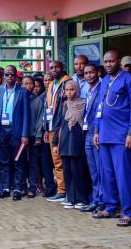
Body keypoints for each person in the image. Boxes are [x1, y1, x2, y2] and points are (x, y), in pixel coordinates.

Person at [93, 50, 131, 227]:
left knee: (123, 176)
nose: (107, 65)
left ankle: (129, 213)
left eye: (111, 61)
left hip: (122, 135)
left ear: (118, 61)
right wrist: (97, 131)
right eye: (105, 62)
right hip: (104, 134)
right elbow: (99, 106)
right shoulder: (105, 80)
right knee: (107, 174)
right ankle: (111, 207)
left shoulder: (129, 79)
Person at [0, 65, 30, 201]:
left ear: (16, 77)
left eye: (12, 75)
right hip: (2, 130)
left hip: (17, 131)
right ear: (4, 76)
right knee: (3, 161)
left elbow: (26, 114)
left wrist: (25, 134)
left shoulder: (23, 92)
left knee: (18, 161)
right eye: (7, 74)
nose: (10, 77)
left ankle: (18, 189)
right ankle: (5, 188)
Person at [52, 81, 88, 210]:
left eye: (71, 90)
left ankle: (81, 199)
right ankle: (71, 198)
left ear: (77, 90)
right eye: (67, 90)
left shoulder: (84, 104)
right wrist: (55, 143)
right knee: (67, 171)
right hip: (65, 142)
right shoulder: (64, 104)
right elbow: (57, 125)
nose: (69, 92)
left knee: (78, 171)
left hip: (78, 142)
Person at [44, 61, 71, 202]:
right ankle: (62, 189)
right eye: (52, 68)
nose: (54, 70)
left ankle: (64, 191)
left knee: (62, 161)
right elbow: (47, 107)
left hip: (61, 127)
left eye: (57, 67)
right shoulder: (51, 85)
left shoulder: (67, 83)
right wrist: (45, 128)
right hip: (51, 128)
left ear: (62, 68)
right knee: (56, 162)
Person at [80, 64, 103, 213]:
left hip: (97, 134)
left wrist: (98, 131)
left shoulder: (102, 89)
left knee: (101, 170)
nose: (88, 75)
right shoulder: (88, 91)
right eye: (86, 73)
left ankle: (102, 200)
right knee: (93, 171)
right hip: (87, 133)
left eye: (91, 72)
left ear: (98, 73)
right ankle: (95, 200)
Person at [33, 77, 56, 197]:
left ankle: (50, 185)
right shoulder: (33, 98)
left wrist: (43, 132)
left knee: (47, 162)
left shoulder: (47, 96)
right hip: (36, 135)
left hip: (46, 133)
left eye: (49, 80)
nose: (36, 88)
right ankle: (40, 184)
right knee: (38, 162)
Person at [21, 76, 44, 198]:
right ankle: (22, 186)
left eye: (30, 84)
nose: (28, 86)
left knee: (33, 163)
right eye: (25, 84)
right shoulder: (19, 99)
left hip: (34, 135)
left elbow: (40, 119)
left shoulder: (38, 100)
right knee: (22, 162)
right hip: (21, 137)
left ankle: (32, 187)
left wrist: (38, 136)